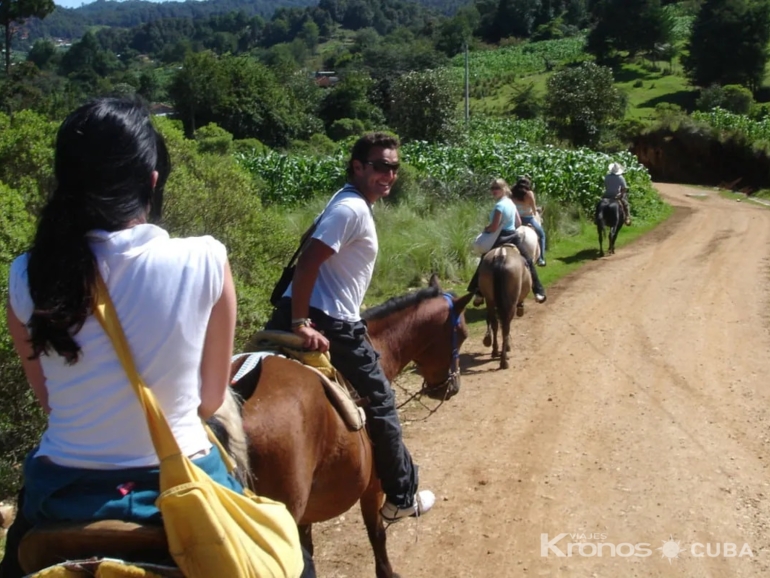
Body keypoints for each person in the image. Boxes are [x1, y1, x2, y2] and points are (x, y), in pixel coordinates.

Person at [0, 98, 314, 578]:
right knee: (293, 560)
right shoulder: (206, 259)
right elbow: (210, 401)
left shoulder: (26, 274)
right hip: (179, 479)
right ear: (152, 179)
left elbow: (48, 400)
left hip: (59, 491)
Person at [265, 132, 434, 523]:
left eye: (393, 167)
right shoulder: (352, 209)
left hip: (298, 311)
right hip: (331, 324)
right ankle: (402, 496)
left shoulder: (343, 200)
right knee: (382, 403)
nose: (388, 174)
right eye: (379, 166)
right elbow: (308, 263)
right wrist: (301, 323)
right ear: (358, 166)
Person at [467, 178, 547, 306]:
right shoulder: (510, 203)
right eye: (492, 188)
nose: (493, 191)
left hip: (499, 238)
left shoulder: (499, 206)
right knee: (529, 261)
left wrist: (486, 228)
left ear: (504, 189)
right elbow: (518, 223)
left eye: (497, 188)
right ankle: (538, 291)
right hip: (513, 236)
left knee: (484, 261)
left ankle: (478, 292)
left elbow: (494, 228)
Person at [511, 176, 547, 266]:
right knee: (542, 235)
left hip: (516, 220)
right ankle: (541, 259)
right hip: (528, 219)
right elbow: (534, 210)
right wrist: (535, 210)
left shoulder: (512, 194)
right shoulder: (529, 194)